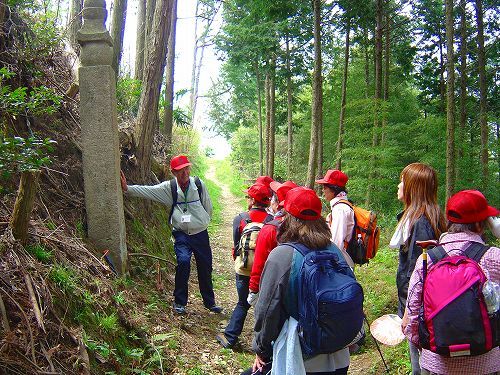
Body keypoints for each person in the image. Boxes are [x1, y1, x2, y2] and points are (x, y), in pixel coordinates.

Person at [243, 187, 350, 375]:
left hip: (300, 357)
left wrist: (262, 349)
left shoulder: (282, 255)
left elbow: (268, 310)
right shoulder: (335, 251)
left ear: (288, 217)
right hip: (339, 355)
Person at [402, 190, 499, 375]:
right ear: (480, 224)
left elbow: (411, 317)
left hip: (438, 365)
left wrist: (426, 349)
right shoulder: (494, 256)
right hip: (487, 364)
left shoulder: (428, 259)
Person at [120, 155, 222, 315]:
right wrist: (127, 189)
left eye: (186, 169)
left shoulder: (198, 184)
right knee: (183, 262)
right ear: (174, 172)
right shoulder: (170, 188)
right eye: (180, 171)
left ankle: (210, 302)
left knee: (205, 267)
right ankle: (179, 302)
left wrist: (203, 221)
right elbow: (149, 191)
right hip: (181, 234)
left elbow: (208, 205)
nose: (185, 173)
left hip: (201, 234)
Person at [389, 162, 445, 374]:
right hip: (426, 308)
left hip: (420, 311)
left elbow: (418, 272)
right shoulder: (425, 217)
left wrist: (408, 313)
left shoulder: (420, 223)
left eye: (402, 181)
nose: (398, 185)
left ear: (413, 187)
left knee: (421, 366)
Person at [216, 183, 273, 349]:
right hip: (263, 271)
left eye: (248, 196)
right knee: (264, 305)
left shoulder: (240, 218)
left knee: (243, 303)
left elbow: (236, 245)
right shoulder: (272, 221)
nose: (246, 198)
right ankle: (265, 343)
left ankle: (230, 337)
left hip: (244, 268)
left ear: (253, 200)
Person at [247, 180, 297, 304]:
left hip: (272, 287)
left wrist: (253, 288)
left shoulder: (270, 228)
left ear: (277, 203)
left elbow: (260, 260)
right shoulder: (306, 227)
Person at [315, 169, 355, 268]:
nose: (323, 190)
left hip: (341, 263)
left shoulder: (340, 209)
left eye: (325, 187)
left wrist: (328, 264)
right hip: (342, 260)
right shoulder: (342, 206)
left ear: (333, 189)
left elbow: (336, 242)